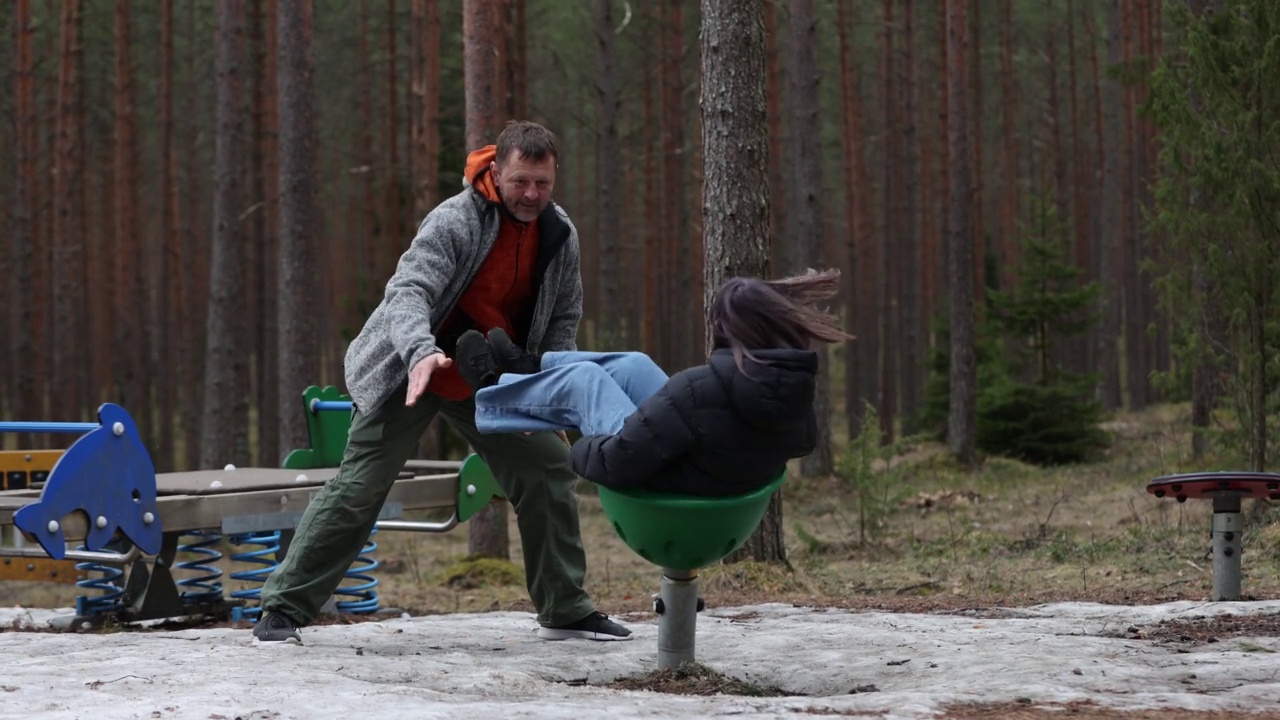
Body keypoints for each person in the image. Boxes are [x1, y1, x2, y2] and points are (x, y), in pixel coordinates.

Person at [253, 121, 632, 643]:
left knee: (547, 468)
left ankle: (565, 607)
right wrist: (421, 353)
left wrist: (554, 399)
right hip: (412, 370)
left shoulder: (558, 233)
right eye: (520, 181)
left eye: (542, 184)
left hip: (489, 377)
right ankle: (283, 608)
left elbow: (562, 319)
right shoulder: (456, 220)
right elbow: (407, 290)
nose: (531, 194)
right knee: (360, 486)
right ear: (496, 171)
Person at [453, 268, 851, 497]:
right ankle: (529, 367)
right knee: (635, 366)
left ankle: (493, 391)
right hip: (706, 476)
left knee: (585, 383)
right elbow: (797, 442)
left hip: (663, 494)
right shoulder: (791, 391)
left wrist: (575, 438)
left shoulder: (700, 389)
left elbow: (614, 462)